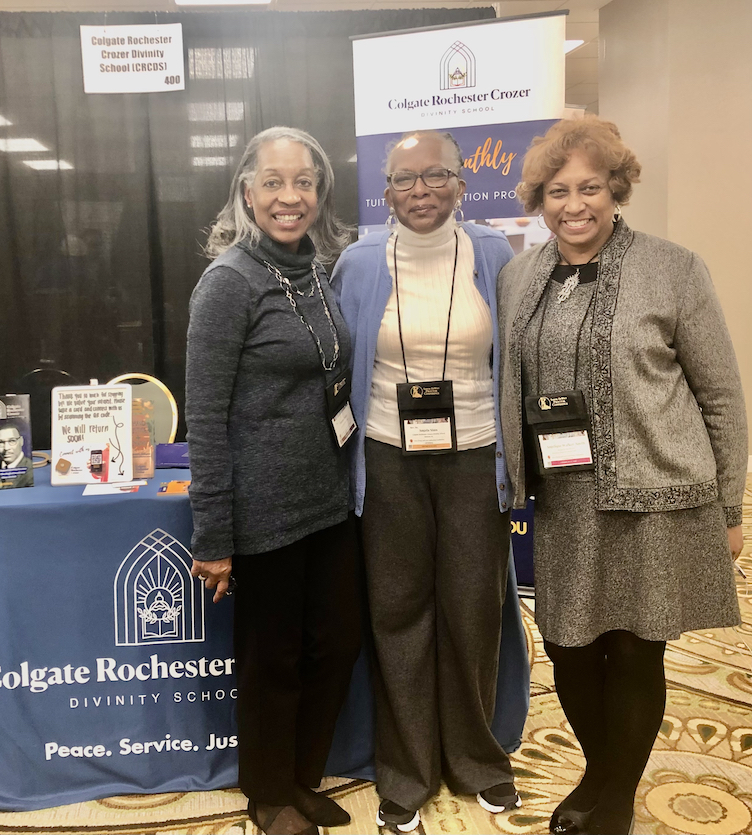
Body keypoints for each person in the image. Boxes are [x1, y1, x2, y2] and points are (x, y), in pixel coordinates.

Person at [497, 116, 746, 835]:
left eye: (590, 188)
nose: (574, 205)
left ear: (617, 189)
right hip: (566, 500)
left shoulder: (674, 268)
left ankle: (611, 800)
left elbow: (721, 395)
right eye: (556, 190)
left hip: (658, 498)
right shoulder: (521, 276)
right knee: (571, 646)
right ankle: (601, 771)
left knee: (637, 648)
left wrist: (729, 507)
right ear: (539, 198)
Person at [331, 130, 529, 833]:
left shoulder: (495, 253)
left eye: (435, 175)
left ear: (461, 183)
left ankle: (479, 758)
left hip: (475, 453)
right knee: (397, 613)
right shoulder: (356, 262)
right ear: (385, 190)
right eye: (404, 179)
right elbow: (337, 366)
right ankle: (407, 771)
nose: (420, 190)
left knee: (474, 609)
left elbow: (516, 357)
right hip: (387, 457)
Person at [186, 126, 359, 835]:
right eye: (275, 182)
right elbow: (204, 417)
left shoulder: (317, 267)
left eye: (305, 183)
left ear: (320, 193)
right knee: (273, 659)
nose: (291, 197)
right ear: (247, 191)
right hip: (263, 512)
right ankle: (266, 792)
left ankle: (300, 775)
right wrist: (214, 537)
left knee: (336, 642)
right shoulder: (227, 283)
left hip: (329, 498)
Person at [0, 422, 34, 489]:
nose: (6, 448)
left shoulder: (31, 471)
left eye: (12, 441)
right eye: (1, 442)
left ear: (21, 441)